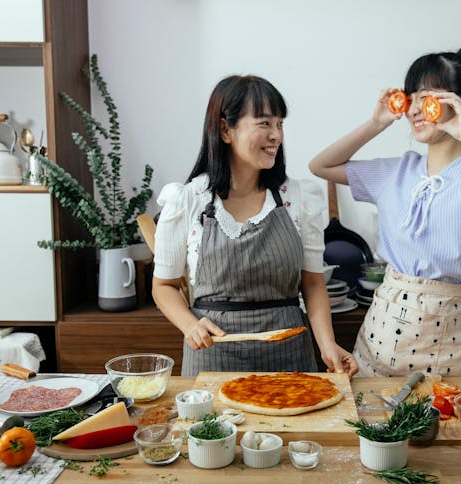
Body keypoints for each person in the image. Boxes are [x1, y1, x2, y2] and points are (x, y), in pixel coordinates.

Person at [309, 43, 461, 378]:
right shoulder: (396, 171)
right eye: (410, 97)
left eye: (426, 97)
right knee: (373, 425)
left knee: (451, 427)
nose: (414, 109)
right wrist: (376, 123)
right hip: (383, 335)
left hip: (454, 339)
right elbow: (320, 165)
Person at [152, 75, 358, 377]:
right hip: (213, 360)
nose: (276, 135)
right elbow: (164, 286)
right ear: (225, 130)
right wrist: (190, 325)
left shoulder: (299, 197)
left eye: (280, 124)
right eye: (264, 123)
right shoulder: (187, 200)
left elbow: (313, 284)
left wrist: (327, 346)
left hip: (289, 358)